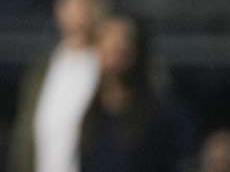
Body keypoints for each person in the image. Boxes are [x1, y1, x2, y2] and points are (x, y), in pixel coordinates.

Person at [8, 0, 107, 172]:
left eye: (89, 0)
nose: (81, 7)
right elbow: (25, 139)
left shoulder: (112, 67)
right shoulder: (42, 69)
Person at [77, 11, 195, 172]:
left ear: (138, 49)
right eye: (107, 39)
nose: (116, 46)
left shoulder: (164, 113)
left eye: (124, 39)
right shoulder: (89, 113)